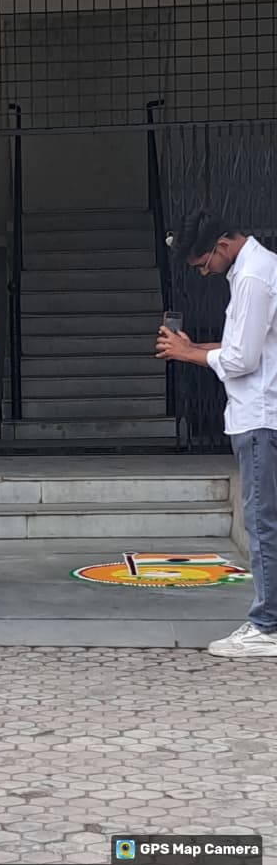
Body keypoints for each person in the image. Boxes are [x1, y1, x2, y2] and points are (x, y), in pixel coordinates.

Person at [157, 206, 277, 658]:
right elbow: (250, 346)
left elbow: (242, 360)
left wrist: (189, 355)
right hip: (261, 411)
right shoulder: (258, 268)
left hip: (259, 415)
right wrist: (194, 346)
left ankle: (266, 626)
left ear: (223, 245)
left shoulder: (252, 277)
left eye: (204, 263)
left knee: (261, 524)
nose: (204, 272)